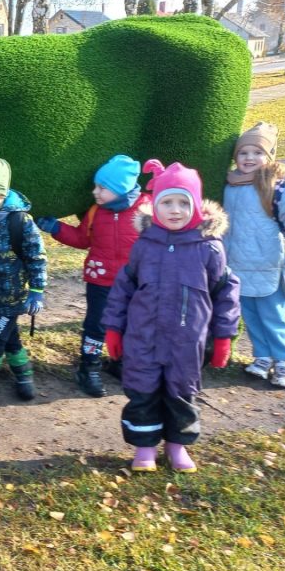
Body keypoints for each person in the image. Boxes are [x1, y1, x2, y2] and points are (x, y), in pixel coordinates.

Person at [103, 160, 240, 473]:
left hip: (186, 341)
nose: (175, 210)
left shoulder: (209, 248)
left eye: (182, 202)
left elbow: (225, 293)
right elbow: (124, 287)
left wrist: (222, 337)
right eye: (167, 202)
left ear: (194, 206)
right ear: (156, 205)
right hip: (143, 338)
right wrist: (113, 328)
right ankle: (144, 448)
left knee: (181, 392)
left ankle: (177, 447)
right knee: (142, 391)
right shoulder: (145, 246)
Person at [35, 155, 150, 396]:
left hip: (135, 283)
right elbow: (82, 239)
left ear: (121, 189)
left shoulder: (147, 209)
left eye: (102, 188)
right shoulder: (96, 212)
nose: (95, 192)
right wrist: (56, 228)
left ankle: (121, 363)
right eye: (96, 186)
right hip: (100, 280)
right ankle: (89, 368)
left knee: (132, 324)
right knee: (96, 325)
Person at [222, 122, 285, 389]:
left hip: (272, 265)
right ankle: (262, 357)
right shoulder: (229, 185)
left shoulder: (276, 187)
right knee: (250, 316)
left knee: (274, 317)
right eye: (243, 153)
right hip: (239, 266)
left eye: (257, 153)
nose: (250, 158)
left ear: (269, 157)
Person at [0, 157, 48, 400]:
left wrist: (37, 289)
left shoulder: (20, 221)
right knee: (10, 338)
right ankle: (24, 374)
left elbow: (37, 256)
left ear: (1, 193)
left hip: (12, 295)